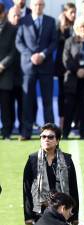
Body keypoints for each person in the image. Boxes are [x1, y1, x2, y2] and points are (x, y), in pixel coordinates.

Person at [15, 0, 57, 141]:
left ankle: (50, 133)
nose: (38, 7)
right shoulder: (23, 21)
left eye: (41, 5)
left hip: (46, 66)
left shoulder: (51, 21)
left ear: (44, 6)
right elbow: (19, 42)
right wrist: (31, 55)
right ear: (31, 6)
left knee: (47, 101)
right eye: (36, 4)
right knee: (27, 101)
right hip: (28, 66)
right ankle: (26, 133)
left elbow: (54, 42)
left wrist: (43, 54)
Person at [23, 124, 79, 225]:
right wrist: (28, 216)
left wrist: (75, 215)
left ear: (57, 140)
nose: (46, 139)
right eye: (43, 137)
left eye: (50, 137)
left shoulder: (67, 160)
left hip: (62, 211)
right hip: (40, 213)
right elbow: (26, 189)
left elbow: (73, 188)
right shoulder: (32, 159)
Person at [62, 17, 84, 140]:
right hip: (72, 79)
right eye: (81, 27)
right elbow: (66, 59)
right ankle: (65, 133)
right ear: (76, 29)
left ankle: (83, 134)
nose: (83, 30)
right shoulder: (69, 41)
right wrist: (77, 70)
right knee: (69, 108)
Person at [55, 2, 76, 133]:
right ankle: (61, 121)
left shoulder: (77, 25)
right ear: (65, 13)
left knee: (73, 94)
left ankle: (73, 121)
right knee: (62, 95)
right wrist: (62, 25)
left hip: (74, 65)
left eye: (75, 12)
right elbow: (57, 42)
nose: (73, 15)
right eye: (71, 12)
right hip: (61, 66)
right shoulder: (59, 26)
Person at [0, 3, 18, 139]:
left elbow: (14, 51)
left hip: (6, 73)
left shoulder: (12, 29)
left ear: (2, 14)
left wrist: (2, 65)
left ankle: (7, 132)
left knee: (6, 105)